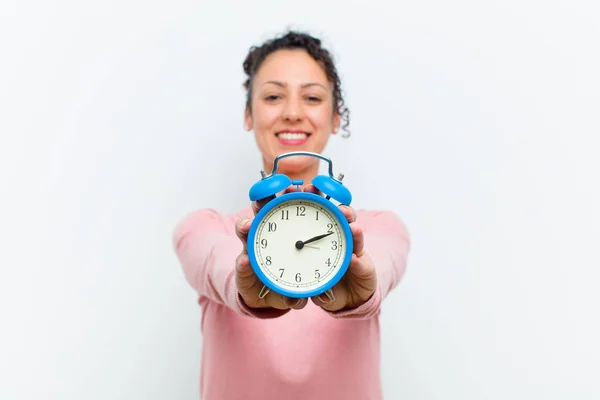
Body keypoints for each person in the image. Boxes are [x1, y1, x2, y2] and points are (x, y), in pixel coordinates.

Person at [172, 30, 411, 400]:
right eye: (273, 96)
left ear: (335, 118)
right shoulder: (207, 228)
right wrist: (247, 287)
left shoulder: (380, 228)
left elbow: (382, 264)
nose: (293, 112)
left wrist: (363, 290)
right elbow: (217, 264)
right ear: (249, 115)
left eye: (312, 97)